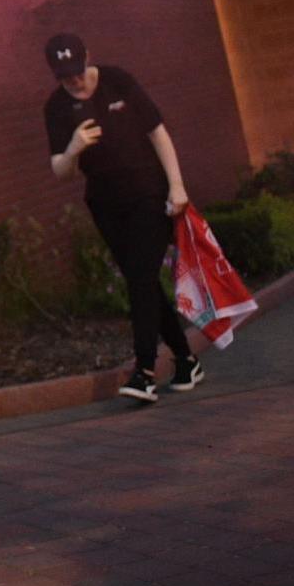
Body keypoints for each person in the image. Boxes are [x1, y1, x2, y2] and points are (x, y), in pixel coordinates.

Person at [41, 32, 202, 403]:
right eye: (66, 77)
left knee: (140, 279)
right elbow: (60, 170)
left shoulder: (118, 81)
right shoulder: (56, 108)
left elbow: (158, 133)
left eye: (79, 72)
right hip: (106, 204)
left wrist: (177, 186)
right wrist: (73, 149)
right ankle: (186, 360)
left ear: (88, 59)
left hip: (149, 194)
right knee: (140, 279)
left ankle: (144, 371)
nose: (76, 82)